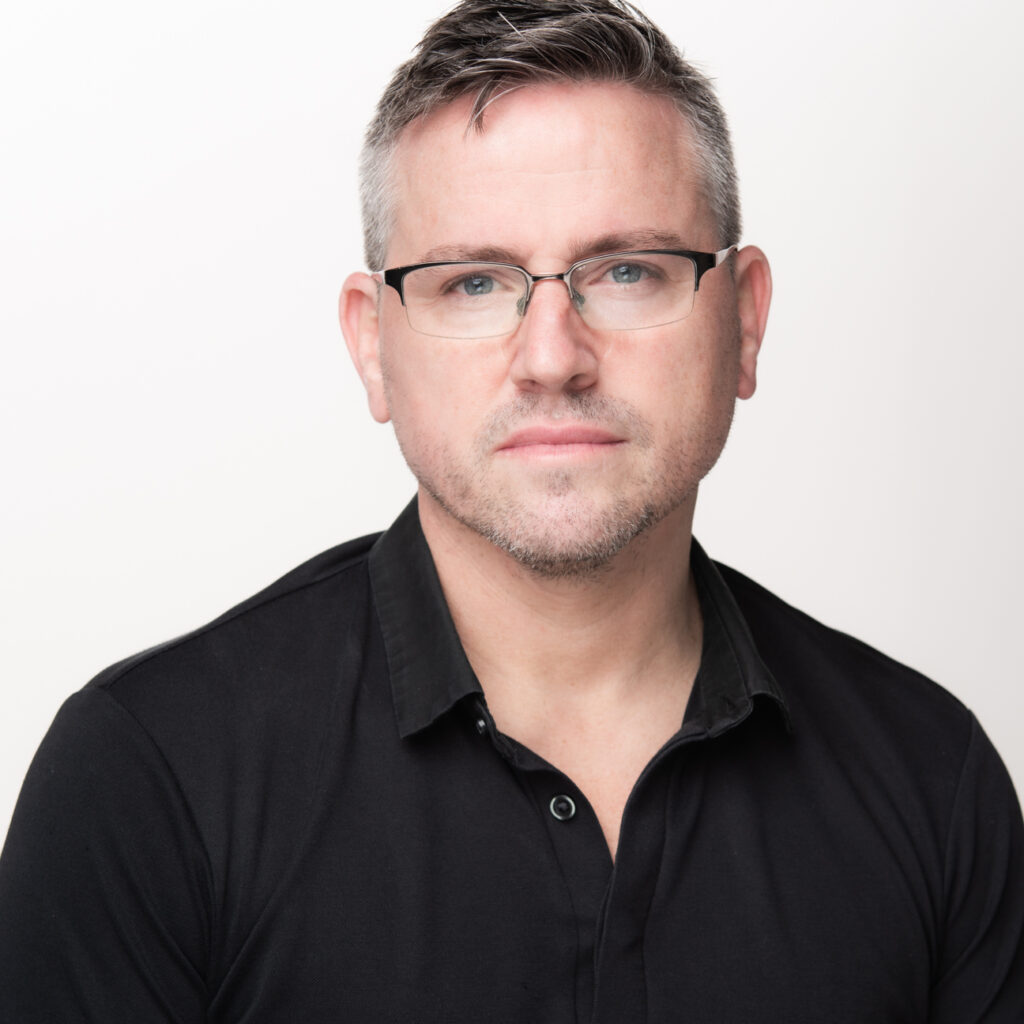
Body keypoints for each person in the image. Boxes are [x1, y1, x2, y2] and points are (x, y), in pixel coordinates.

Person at [1, 0, 1021, 1019]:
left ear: (743, 322)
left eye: (628, 271)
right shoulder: (149, 780)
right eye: (473, 283)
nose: (551, 357)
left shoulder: (936, 784)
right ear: (373, 345)